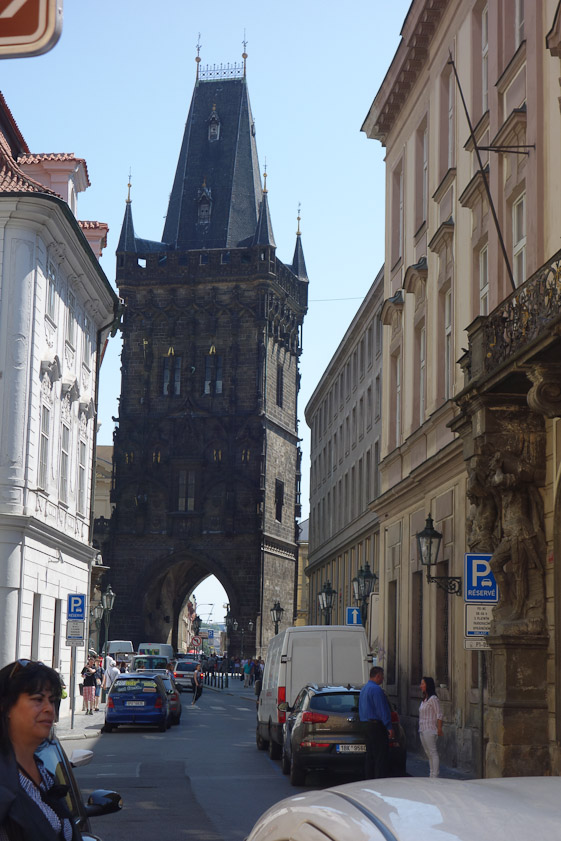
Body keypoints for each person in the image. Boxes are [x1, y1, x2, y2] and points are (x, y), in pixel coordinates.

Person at [0, 659, 76, 840]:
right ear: (6, 707)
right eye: (38, 699)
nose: (49, 709)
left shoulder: (43, 771)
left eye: (52, 700)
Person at [358, 666, 394, 779]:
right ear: (378, 676)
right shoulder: (376, 690)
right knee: (380, 756)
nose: (383, 679)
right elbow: (382, 709)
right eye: (382, 676)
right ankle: (379, 780)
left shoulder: (364, 689)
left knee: (370, 755)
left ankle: (369, 779)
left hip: (365, 724)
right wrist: (389, 726)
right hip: (376, 725)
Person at [419, 676, 443, 778]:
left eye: (423, 684)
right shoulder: (424, 700)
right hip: (422, 729)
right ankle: (431, 774)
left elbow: (439, 714)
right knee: (428, 753)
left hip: (430, 729)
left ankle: (435, 775)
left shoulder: (433, 699)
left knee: (433, 752)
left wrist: (439, 728)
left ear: (427, 685)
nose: (421, 686)